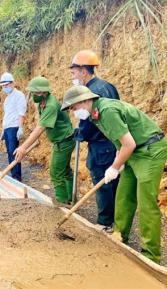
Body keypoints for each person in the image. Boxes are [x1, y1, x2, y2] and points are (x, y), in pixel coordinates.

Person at [61, 85, 167, 264]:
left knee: (146, 202)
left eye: (74, 107)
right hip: (134, 152)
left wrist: (114, 167)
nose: (73, 112)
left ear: (86, 100)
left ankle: (151, 254)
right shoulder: (96, 115)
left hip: (150, 151)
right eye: (71, 109)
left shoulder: (107, 111)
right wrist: (119, 161)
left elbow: (129, 144)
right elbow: (121, 142)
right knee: (124, 195)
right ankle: (119, 235)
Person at [70, 49, 120, 231]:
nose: (73, 77)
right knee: (113, 184)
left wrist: (80, 134)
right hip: (114, 142)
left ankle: (105, 223)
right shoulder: (109, 86)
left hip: (101, 145)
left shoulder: (90, 91)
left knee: (103, 183)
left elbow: (90, 121)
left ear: (84, 71)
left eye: (74, 72)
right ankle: (116, 222)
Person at [14, 77, 75, 206]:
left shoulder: (51, 105)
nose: (32, 96)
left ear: (43, 92)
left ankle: (62, 201)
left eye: (34, 93)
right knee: (65, 171)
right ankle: (71, 198)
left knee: (56, 172)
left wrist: (23, 147)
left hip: (64, 140)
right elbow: (42, 122)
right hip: (61, 140)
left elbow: (40, 127)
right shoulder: (43, 102)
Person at [0, 72, 27, 181]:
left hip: (14, 127)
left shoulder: (19, 95)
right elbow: (7, 115)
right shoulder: (7, 99)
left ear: (13, 83)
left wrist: (20, 127)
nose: (5, 87)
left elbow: (21, 113)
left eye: (6, 85)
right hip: (7, 128)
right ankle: (12, 173)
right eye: (3, 86)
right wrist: (3, 129)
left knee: (13, 151)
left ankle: (17, 176)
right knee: (9, 152)